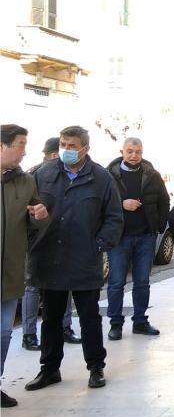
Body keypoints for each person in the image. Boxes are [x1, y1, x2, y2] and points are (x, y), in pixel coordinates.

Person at [25, 125, 123, 391]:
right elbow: (28, 210)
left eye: (72, 146)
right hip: (50, 257)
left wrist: (98, 244)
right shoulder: (44, 174)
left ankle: (95, 368)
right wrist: (34, 239)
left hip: (84, 258)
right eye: (63, 144)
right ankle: (49, 369)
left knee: (90, 317)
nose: (66, 150)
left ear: (85, 148)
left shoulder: (101, 178)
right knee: (52, 318)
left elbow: (114, 217)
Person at [1, 125, 50, 407]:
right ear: (1, 146)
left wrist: (40, 215)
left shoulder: (26, 182)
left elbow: (36, 217)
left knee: (4, 334)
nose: (24, 151)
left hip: (9, 273)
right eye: (20, 144)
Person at [105, 137, 170, 340]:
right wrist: (121, 204)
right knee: (116, 283)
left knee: (142, 282)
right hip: (119, 238)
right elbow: (102, 203)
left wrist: (158, 227)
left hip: (145, 237)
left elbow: (164, 200)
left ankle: (140, 321)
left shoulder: (152, 175)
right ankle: (115, 324)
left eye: (138, 151)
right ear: (122, 151)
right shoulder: (109, 176)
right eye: (130, 151)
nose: (134, 155)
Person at [22, 137, 80, 351]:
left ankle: (62, 328)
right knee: (34, 287)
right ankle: (30, 334)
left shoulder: (69, 174)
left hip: (61, 239)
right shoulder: (35, 174)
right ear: (54, 154)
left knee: (61, 285)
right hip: (39, 240)